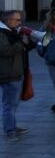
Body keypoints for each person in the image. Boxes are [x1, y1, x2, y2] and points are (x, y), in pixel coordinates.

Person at [0, 11, 33, 142]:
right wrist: (22, 43)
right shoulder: (2, 34)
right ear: (8, 21)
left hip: (16, 72)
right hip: (8, 73)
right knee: (9, 105)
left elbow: (21, 48)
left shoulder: (12, 33)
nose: (20, 23)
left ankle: (12, 126)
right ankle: (10, 131)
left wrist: (29, 42)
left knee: (13, 104)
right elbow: (6, 50)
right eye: (17, 20)